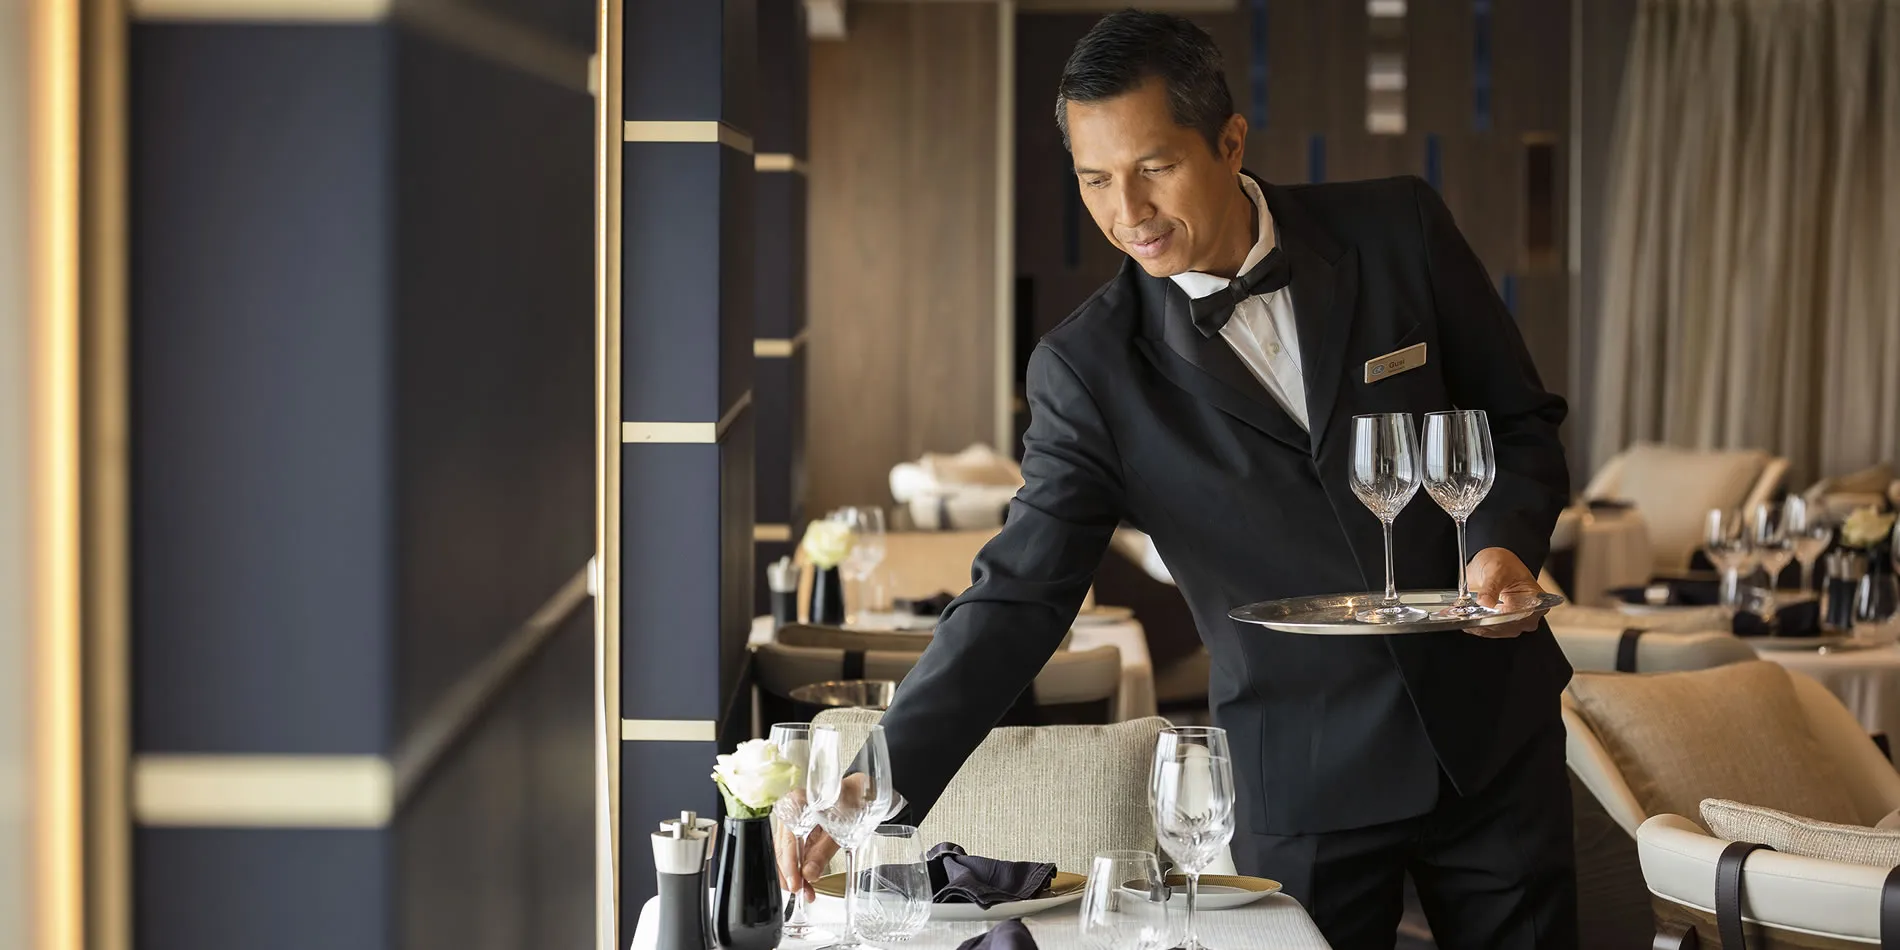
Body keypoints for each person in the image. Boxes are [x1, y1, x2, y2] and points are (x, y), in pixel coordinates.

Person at [779, 10, 1575, 949]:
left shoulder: (1400, 228)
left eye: (1154, 166)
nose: (1129, 212)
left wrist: (1500, 545)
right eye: (1094, 179)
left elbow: (1519, 423)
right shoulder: (1088, 373)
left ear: (1230, 141)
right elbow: (1019, 597)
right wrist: (877, 775)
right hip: (1303, 777)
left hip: (1491, 739)